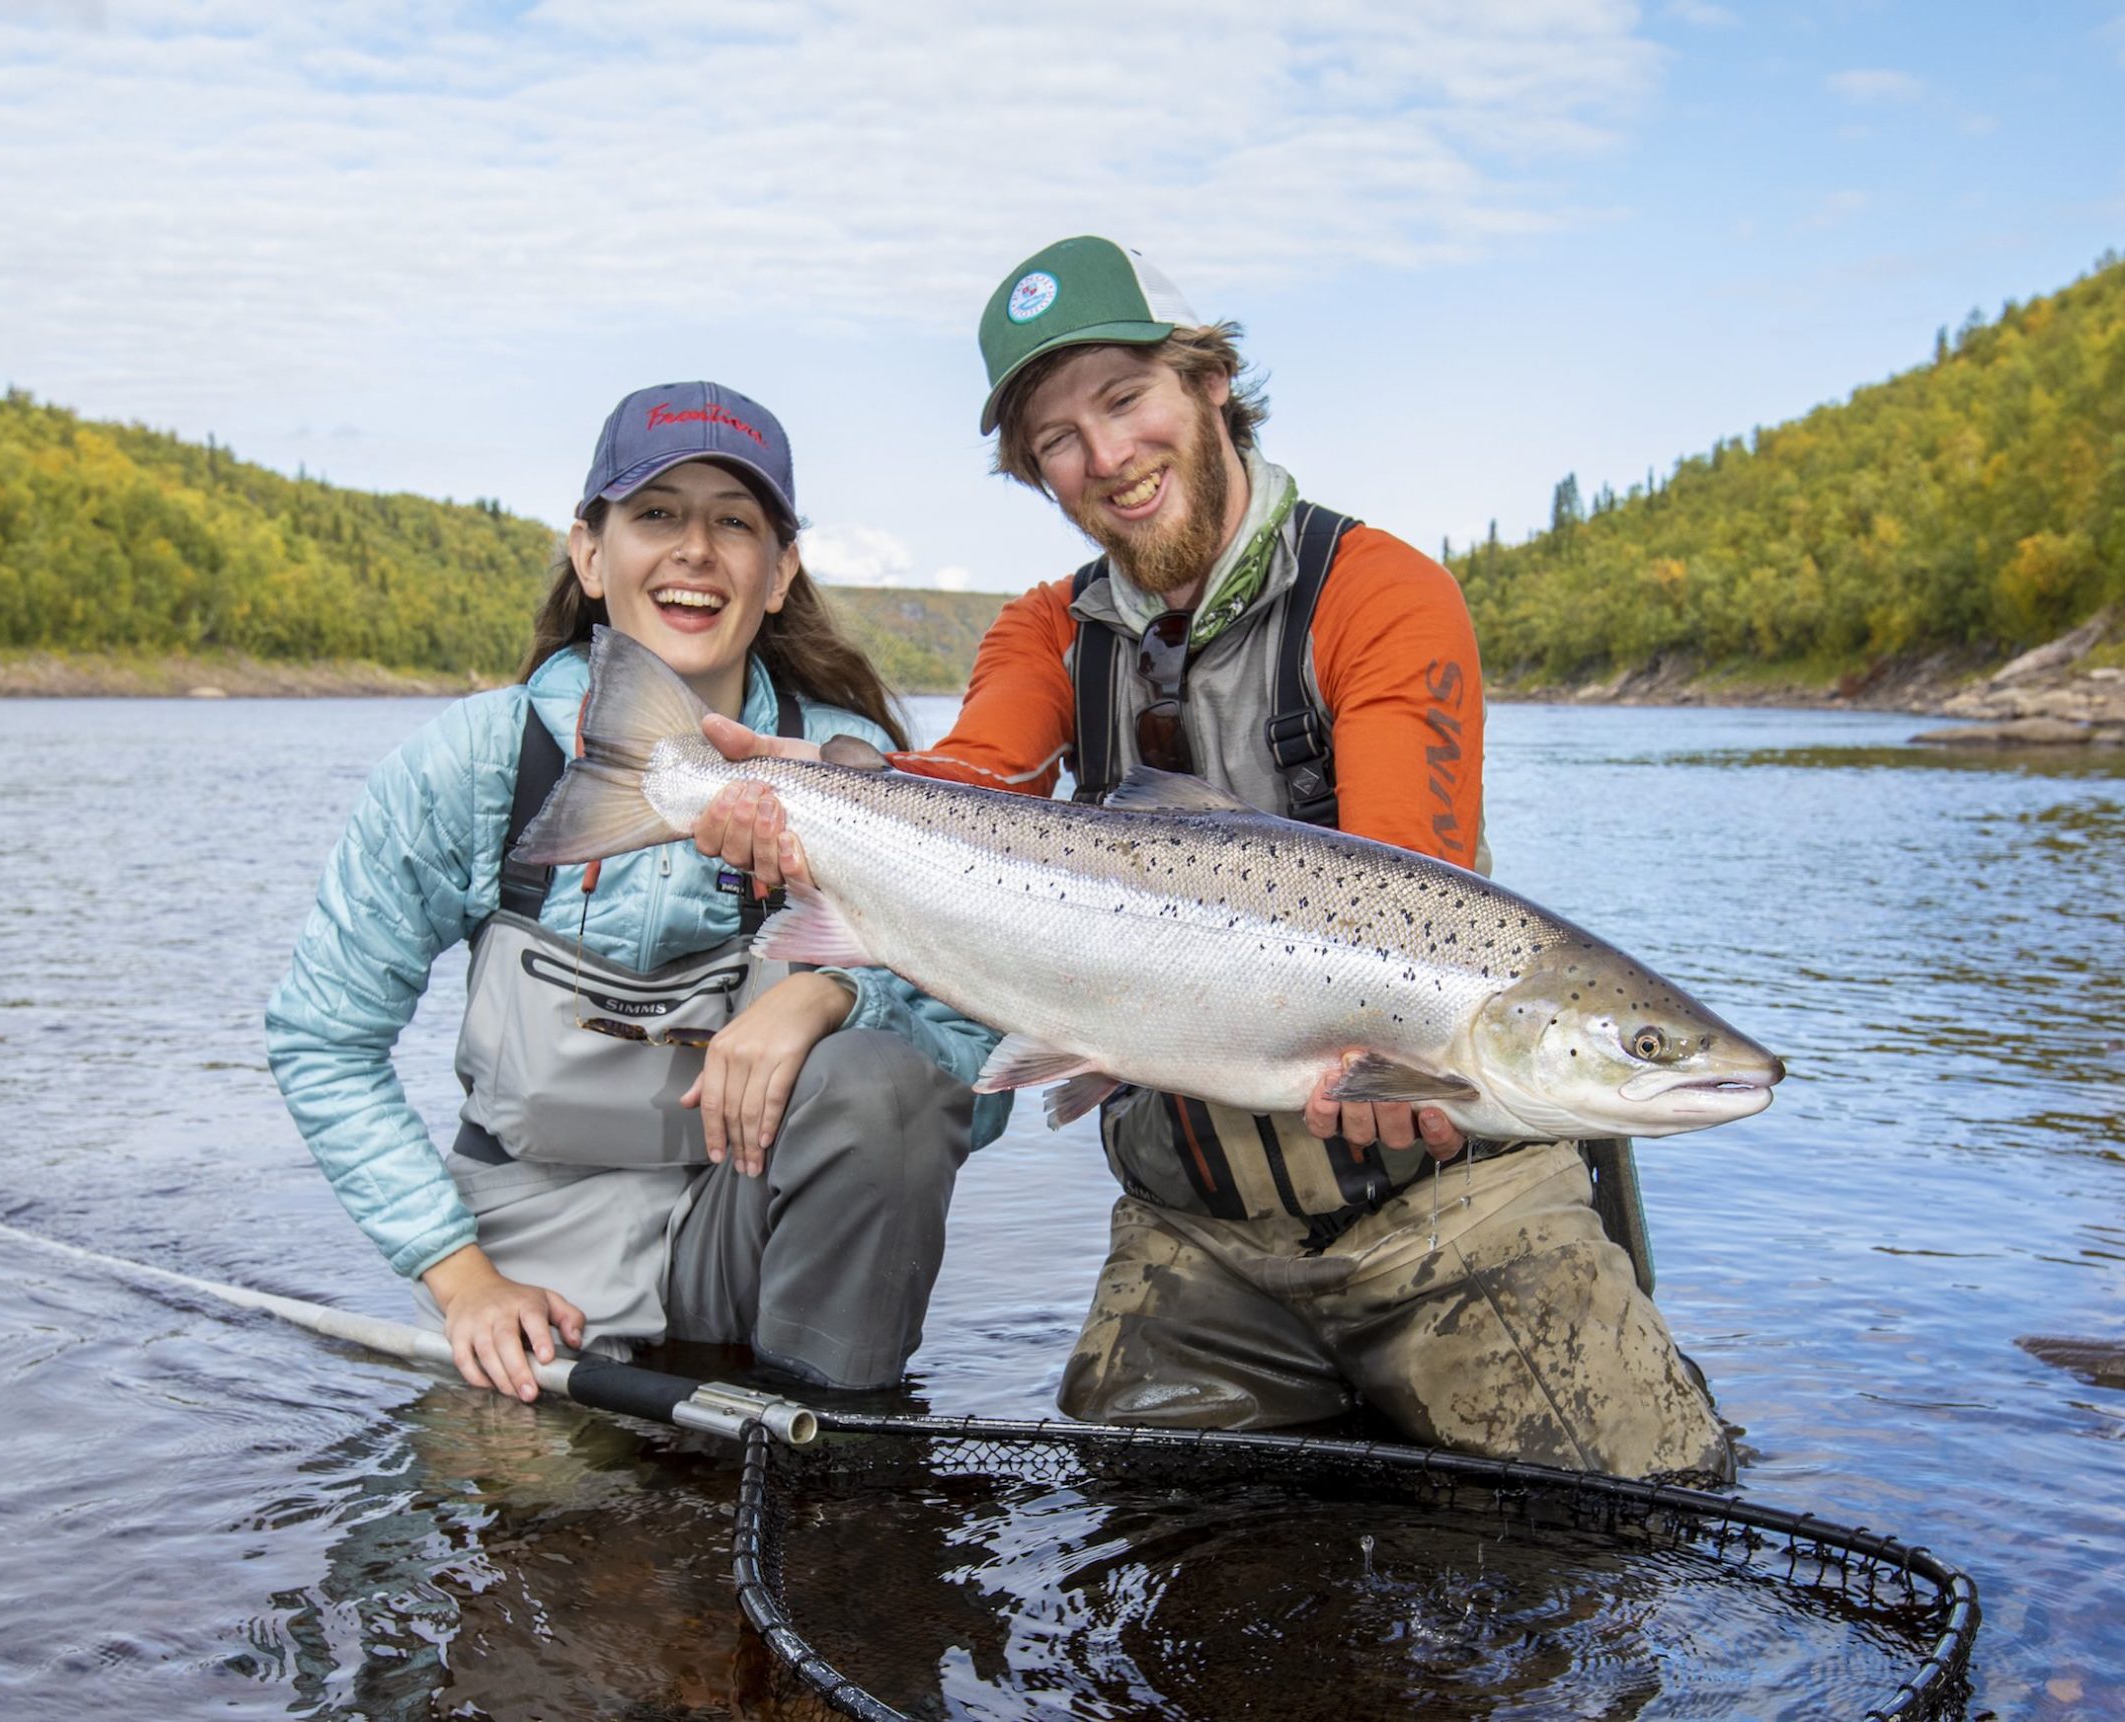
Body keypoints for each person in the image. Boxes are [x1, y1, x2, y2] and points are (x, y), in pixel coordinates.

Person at [699, 241, 1730, 1480]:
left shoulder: (1381, 593)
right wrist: (801, 802)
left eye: (1125, 399)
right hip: (1194, 1241)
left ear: (1210, 383)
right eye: (1056, 441)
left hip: (1454, 1217)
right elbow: (965, 791)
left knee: (1649, 1523)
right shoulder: (1045, 631)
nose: (1106, 457)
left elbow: (1405, 889)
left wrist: (1414, 1056)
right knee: (1149, 1553)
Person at [267, 381, 1006, 1403]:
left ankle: (835, 1445)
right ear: (588, 552)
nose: (695, 551)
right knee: (538, 1537)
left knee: (884, 1085)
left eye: (734, 522)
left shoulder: (859, 772)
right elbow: (321, 1039)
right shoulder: (472, 765)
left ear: (779, 572)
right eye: (656, 514)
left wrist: (836, 994)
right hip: (527, 1268)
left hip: (753, 1246)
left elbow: (980, 1077)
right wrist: (460, 1278)